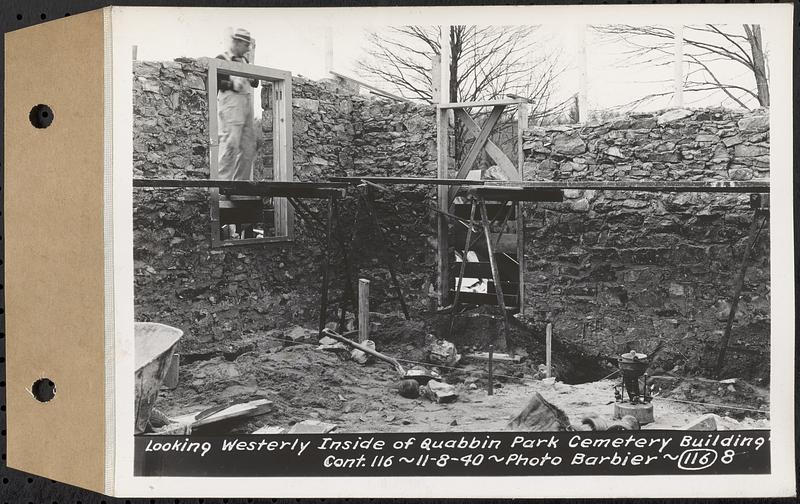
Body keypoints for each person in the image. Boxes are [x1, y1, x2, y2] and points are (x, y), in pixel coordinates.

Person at [216, 28, 260, 239]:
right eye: (244, 45)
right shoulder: (222, 59)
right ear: (236, 42)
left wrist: (250, 72)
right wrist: (233, 83)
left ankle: (239, 184)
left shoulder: (244, 62)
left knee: (249, 147)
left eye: (248, 46)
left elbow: (256, 82)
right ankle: (224, 184)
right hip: (231, 107)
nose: (246, 49)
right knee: (230, 145)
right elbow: (215, 80)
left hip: (245, 109)